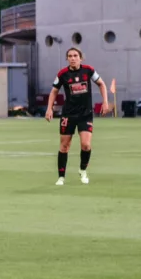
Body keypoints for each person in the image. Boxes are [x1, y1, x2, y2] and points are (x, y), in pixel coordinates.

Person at [45, 47, 110, 186]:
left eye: (75, 55)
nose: (72, 58)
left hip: (85, 114)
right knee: (64, 146)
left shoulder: (89, 70)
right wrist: (49, 109)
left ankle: (83, 170)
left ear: (81, 58)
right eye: (70, 56)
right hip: (68, 115)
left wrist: (105, 102)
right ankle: (61, 177)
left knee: (86, 145)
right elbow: (54, 91)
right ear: (67, 58)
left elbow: (101, 84)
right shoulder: (62, 74)